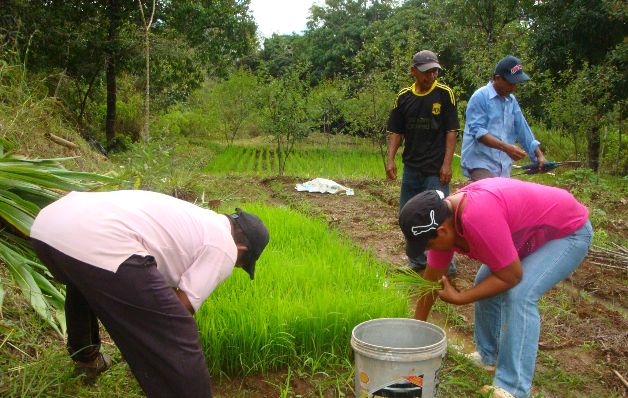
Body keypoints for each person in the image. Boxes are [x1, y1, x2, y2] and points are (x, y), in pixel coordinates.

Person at [29, 190, 270, 398]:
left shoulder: (200, 219)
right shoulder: (224, 246)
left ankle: (86, 360)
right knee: (178, 328)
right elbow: (181, 307)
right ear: (242, 250)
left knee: (86, 280)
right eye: (241, 264)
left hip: (47, 229)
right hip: (96, 239)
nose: (235, 266)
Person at [399, 178, 592, 398]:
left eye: (427, 245)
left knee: (520, 294)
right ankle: (488, 355)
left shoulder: (477, 217)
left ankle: (513, 387)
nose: (428, 250)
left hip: (567, 232)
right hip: (531, 234)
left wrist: (461, 298)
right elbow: (430, 283)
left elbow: (511, 276)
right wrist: (413, 336)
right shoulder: (445, 222)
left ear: (441, 232)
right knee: (485, 283)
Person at [386, 49, 459, 273]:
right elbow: (396, 132)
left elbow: (451, 131)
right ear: (414, 71)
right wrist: (390, 159)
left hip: (435, 170)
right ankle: (417, 263)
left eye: (435, 71)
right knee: (408, 216)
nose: (431, 76)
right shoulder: (403, 97)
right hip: (411, 168)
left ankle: (446, 266)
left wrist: (447, 164)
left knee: (440, 218)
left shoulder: (445, 94)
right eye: (427, 72)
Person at [461, 55, 546, 181]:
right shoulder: (480, 97)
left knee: (503, 198)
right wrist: (507, 148)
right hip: (480, 164)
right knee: (489, 193)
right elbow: (478, 132)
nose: (514, 87)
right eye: (511, 83)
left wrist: (538, 155)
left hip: (503, 167)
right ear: (498, 78)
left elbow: (522, 128)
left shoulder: (511, 101)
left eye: (516, 83)